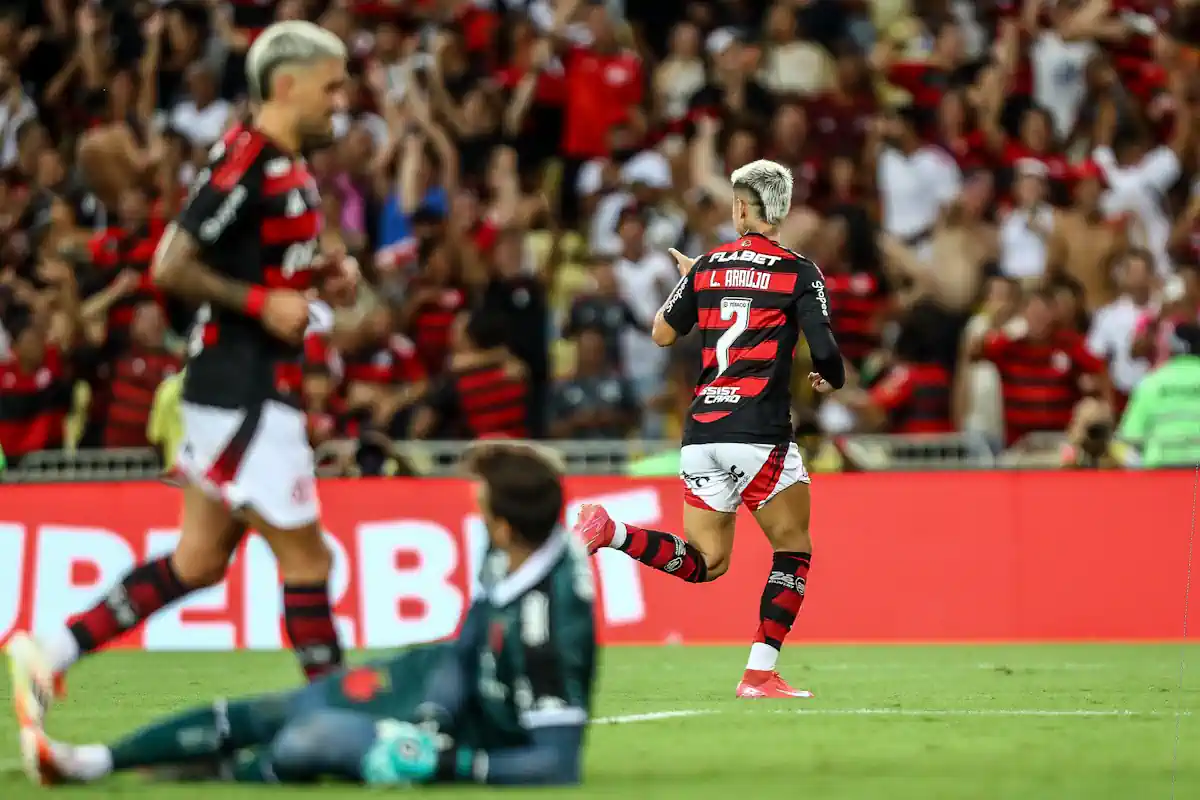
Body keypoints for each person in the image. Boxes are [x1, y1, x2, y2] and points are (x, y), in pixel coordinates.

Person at [7, 20, 358, 719]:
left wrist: (322, 277)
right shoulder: (248, 159)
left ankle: (52, 652)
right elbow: (172, 264)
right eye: (332, 86)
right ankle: (341, 717)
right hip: (246, 391)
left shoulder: (286, 165)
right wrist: (262, 302)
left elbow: (259, 268)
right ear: (285, 86)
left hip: (233, 387)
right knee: (309, 562)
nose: (341, 100)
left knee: (198, 561)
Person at [17, 441, 595, 789]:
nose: (475, 516)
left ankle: (224, 774)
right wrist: (433, 711)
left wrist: (452, 760)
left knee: (306, 742)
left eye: (481, 509)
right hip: (431, 688)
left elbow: (558, 762)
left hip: (479, 738)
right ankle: (92, 762)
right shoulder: (511, 548)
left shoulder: (553, 625)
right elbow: (468, 642)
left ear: (504, 526)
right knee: (279, 709)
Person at [576, 159, 845, 699]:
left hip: (701, 432)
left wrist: (701, 281)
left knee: (706, 563)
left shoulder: (707, 267)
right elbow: (827, 351)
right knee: (793, 549)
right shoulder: (798, 270)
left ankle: (613, 532)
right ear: (782, 209)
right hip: (759, 431)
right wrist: (828, 377)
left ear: (742, 208)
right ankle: (759, 674)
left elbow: (659, 334)